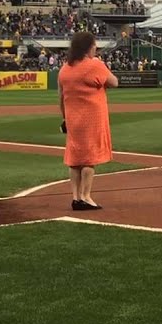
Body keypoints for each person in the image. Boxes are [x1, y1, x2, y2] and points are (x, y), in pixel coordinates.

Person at [58, 31, 118, 210]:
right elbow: (114, 82)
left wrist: (64, 118)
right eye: (94, 46)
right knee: (89, 159)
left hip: (72, 118)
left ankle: (76, 197)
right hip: (92, 117)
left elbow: (60, 97)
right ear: (88, 47)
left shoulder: (65, 68)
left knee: (74, 159)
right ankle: (86, 196)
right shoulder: (94, 65)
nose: (96, 48)